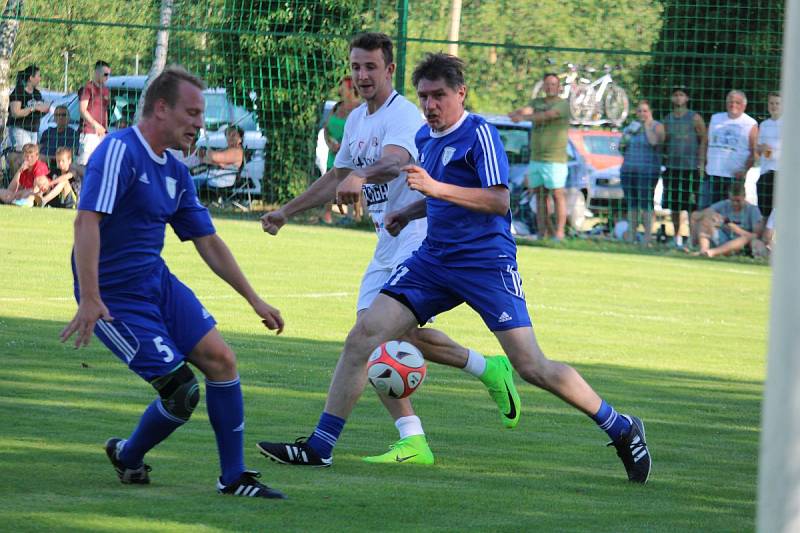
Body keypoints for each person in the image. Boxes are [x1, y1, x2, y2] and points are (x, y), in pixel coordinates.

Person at [257, 52, 651, 484]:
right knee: (363, 335)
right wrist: (409, 212)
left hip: (486, 265)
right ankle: (320, 446)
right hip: (434, 260)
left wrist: (432, 188)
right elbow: (440, 193)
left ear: (460, 93)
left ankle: (621, 426)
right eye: (424, 96)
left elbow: (498, 200)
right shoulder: (426, 138)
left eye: (439, 96)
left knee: (532, 366)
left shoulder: (479, 133)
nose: (430, 105)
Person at [258, 33, 521, 467]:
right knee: (374, 339)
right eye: (356, 67)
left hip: (419, 241)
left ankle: (341, 444)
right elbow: (336, 178)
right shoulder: (359, 119)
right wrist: (287, 211)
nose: (361, 75)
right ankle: (476, 379)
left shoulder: (404, 114)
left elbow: (396, 161)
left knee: (373, 338)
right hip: (386, 243)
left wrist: (361, 178)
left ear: (389, 70)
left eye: (370, 67)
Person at [59, 66, 287, 500]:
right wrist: (90, 297)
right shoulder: (119, 151)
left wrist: (254, 300)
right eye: (193, 112)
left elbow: (208, 242)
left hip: (156, 283)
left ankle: (233, 477)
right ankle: (128, 456)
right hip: (114, 298)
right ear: (161, 109)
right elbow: (86, 221)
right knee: (182, 392)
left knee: (222, 360)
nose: (200, 124)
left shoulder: (176, 172)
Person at [509, 72, 571, 241]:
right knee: (540, 196)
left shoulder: (563, 105)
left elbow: (547, 116)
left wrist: (523, 117)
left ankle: (559, 233)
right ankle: (542, 233)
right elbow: (527, 109)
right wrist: (515, 112)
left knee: (557, 195)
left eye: (553, 84)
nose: (550, 87)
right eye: (547, 84)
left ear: (559, 87)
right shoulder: (536, 102)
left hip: (555, 159)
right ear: (543, 86)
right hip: (536, 158)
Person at [662, 86, 707, 248]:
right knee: (674, 205)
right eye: (676, 95)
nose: (679, 98)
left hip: (690, 168)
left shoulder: (694, 117)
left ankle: (691, 238)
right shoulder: (668, 119)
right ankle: (676, 237)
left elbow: (703, 139)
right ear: (672, 99)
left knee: (691, 205)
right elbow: (663, 141)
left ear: (687, 98)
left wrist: (701, 162)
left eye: (682, 95)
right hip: (672, 167)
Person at [619, 100, 665, 245]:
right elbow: (617, 147)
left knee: (646, 204)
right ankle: (632, 235)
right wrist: (624, 139)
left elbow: (654, 142)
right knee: (631, 203)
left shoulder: (657, 126)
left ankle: (647, 237)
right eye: (639, 111)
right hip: (628, 169)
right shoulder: (630, 128)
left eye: (645, 111)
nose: (642, 114)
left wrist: (646, 126)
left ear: (650, 112)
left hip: (647, 172)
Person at [703, 90, 758, 207]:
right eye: (730, 102)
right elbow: (705, 143)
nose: (733, 105)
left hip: (733, 178)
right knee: (706, 211)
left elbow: (755, 152)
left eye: (737, 102)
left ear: (744, 105)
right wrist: (701, 164)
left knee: (730, 214)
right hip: (712, 173)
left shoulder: (750, 124)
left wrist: (745, 170)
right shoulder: (715, 118)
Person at [322, 75, 361, 224]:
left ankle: (355, 216)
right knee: (329, 182)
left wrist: (343, 147)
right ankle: (326, 215)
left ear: (351, 89)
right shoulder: (336, 106)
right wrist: (329, 142)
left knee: (352, 183)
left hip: (350, 154)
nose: (340, 89)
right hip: (334, 152)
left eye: (342, 86)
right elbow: (326, 128)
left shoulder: (359, 108)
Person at [690, 181, 762, 258]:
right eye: (732, 200)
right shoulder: (725, 204)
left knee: (747, 238)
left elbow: (756, 235)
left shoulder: (752, 210)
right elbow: (695, 215)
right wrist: (710, 214)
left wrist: (734, 228)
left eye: (738, 201)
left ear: (744, 197)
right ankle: (703, 250)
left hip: (740, 243)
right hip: (723, 238)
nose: (735, 204)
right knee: (705, 221)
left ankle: (712, 252)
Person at [8, 65, 50, 174]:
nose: (40, 79)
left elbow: (41, 109)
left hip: (33, 130)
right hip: (20, 129)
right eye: (38, 76)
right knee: (25, 157)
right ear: (31, 78)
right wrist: (33, 108)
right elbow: (15, 112)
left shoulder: (37, 93)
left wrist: (44, 108)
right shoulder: (19, 91)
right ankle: (17, 182)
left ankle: (28, 182)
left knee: (32, 158)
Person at [78, 60, 111, 165]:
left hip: (101, 133)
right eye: (105, 74)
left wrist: (105, 129)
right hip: (89, 132)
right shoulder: (88, 88)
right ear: (97, 72)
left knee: (100, 163)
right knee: (85, 163)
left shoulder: (106, 90)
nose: (107, 77)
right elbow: (83, 110)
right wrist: (95, 125)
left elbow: (105, 110)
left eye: (109, 75)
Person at [195, 125, 245, 190]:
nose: (230, 137)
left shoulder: (236, 151)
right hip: (214, 176)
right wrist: (218, 163)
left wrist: (208, 154)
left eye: (233, 135)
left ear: (240, 138)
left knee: (188, 182)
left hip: (220, 179)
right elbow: (204, 159)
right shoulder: (228, 149)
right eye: (228, 134)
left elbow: (212, 156)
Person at [756, 92, 781, 218]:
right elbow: (759, 147)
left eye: (777, 103)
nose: (774, 106)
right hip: (765, 172)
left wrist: (768, 152)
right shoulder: (764, 124)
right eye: (771, 103)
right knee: (764, 213)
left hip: (781, 174)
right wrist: (765, 150)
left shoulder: (790, 124)